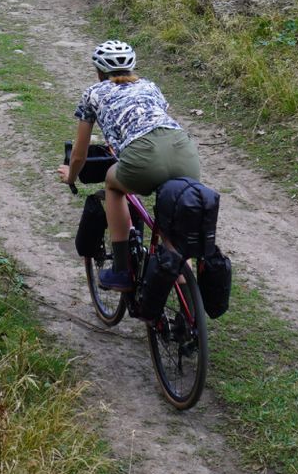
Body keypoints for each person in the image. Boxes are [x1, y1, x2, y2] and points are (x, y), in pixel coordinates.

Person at [57, 39, 201, 290]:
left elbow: (79, 153)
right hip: (185, 153)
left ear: (99, 71)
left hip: (143, 157)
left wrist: (71, 175)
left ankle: (122, 270)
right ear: (133, 67)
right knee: (171, 231)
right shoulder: (151, 87)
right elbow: (152, 120)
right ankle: (189, 306)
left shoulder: (93, 93)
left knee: (113, 186)